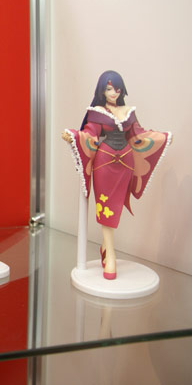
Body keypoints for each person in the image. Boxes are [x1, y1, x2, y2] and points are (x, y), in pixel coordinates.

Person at [62, 70, 171, 279]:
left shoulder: (128, 112)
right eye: (109, 88)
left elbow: (139, 135)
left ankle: (105, 247)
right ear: (102, 91)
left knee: (117, 205)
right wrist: (73, 136)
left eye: (117, 88)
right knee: (105, 205)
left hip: (126, 164)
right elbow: (90, 136)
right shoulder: (96, 112)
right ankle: (110, 254)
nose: (114, 92)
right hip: (104, 163)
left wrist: (162, 138)